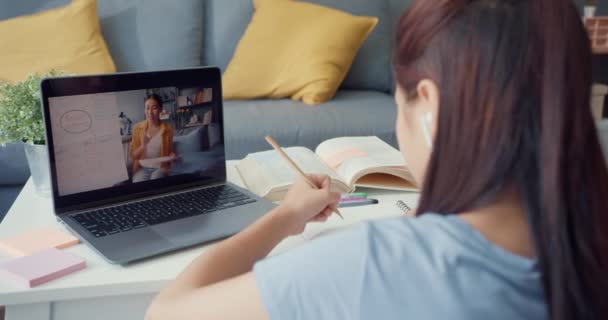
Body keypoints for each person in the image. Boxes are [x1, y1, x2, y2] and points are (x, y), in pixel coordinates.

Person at [145, 0, 608, 319]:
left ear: (429, 104)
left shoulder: (375, 264)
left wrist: (286, 217)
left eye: (400, 105)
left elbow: (166, 311)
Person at [130, 94, 176, 182]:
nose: (150, 112)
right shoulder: (137, 128)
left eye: (154, 108)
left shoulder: (168, 129)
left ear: (160, 110)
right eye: (147, 108)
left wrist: (172, 156)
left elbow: (170, 152)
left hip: (160, 168)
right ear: (144, 110)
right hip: (142, 168)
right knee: (138, 184)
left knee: (156, 180)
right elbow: (133, 156)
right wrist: (143, 146)